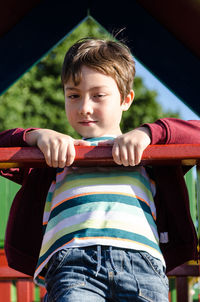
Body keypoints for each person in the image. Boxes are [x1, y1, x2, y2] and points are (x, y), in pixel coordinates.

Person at [0, 37, 200, 302]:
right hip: (73, 265)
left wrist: (149, 133)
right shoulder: (55, 155)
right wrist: (35, 136)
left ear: (126, 99)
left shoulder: (145, 152)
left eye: (98, 95)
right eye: (73, 95)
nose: (84, 107)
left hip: (142, 265)